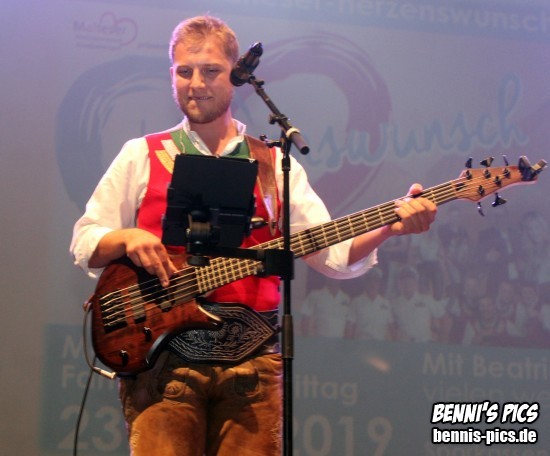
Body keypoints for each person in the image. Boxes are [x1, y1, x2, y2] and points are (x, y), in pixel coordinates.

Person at [70, 15, 437, 456]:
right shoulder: (141, 155)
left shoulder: (273, 163)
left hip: (252, 368)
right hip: (163, 364)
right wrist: (128, 238)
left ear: (237, 75)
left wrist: (390, 227)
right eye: (184, 71)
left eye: (211, 71)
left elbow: (332, 255)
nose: (196, 84)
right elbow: (86, 240)